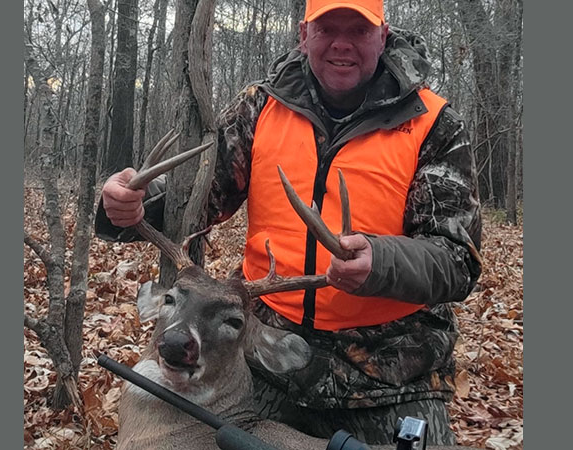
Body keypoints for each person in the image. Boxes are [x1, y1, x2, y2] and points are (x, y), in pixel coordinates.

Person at [95, 0, 482, 445]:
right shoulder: (260, 108)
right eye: (326, 29)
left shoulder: (433, 122)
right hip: (257, 361)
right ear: (304, 35)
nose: (341, 44)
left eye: (357, 30)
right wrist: (126, 208)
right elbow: (198, 197)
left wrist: (380, 261)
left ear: (383, 34)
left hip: (386, 376)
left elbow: (457, 260)